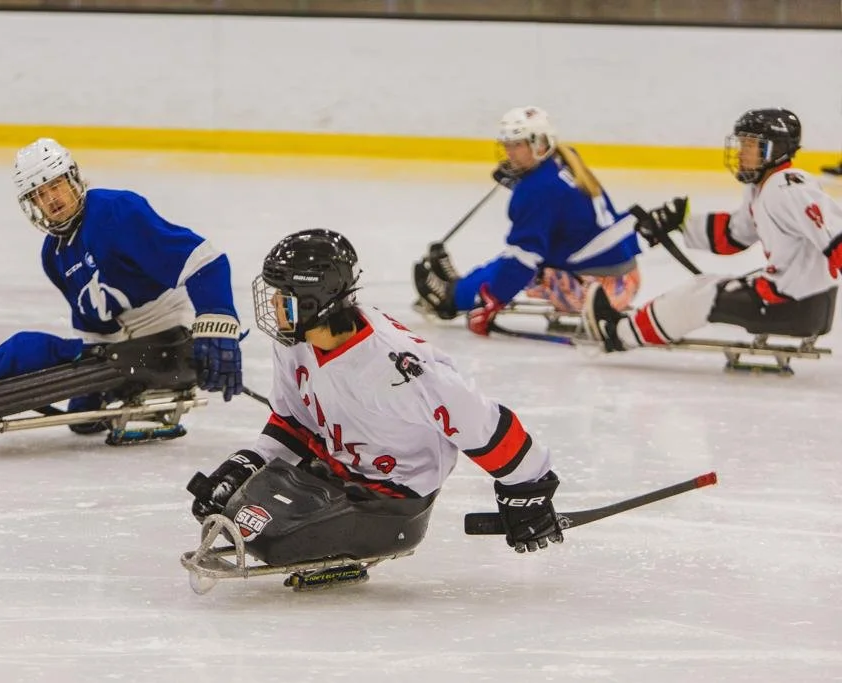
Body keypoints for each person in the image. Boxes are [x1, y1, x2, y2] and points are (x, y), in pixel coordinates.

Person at [187, 228, 564, 580]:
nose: (272, 305)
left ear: (312, 301)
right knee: (238, 511)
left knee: (272, 537)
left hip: (392, 497)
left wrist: (527, 487)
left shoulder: (396, 366)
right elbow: (295, 425)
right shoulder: (295, 343)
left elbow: (479, 420)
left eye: (281, 296)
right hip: (333, 471)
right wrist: (250, 461)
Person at [0, 138, 243, 446]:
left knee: (37, 352)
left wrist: (219, 323)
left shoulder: (116, 211)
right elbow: (96, 332)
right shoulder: (54, 255)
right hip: (125, 354)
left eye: (55, 185)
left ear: (73, 179)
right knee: (29, 347)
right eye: (39, 194)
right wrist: (90, 396)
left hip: (171, 349)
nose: (51, 199)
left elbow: (204, 260)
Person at [583, 108, 840, 353]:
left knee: (699, 298)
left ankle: (616, 334)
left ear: (776, 150)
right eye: (741, 144)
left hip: (795, 304)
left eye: (750, 146)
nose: (741, 153)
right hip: (793, 296)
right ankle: (627, 328)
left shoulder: (789, 189)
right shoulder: (762, 187)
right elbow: (734, 236)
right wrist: (679, 223)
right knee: (703, 286)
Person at [413, 106, 642, 336]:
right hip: (623, 280)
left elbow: (522, 262)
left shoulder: (537, 190)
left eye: (517, 144)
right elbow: (558, 205)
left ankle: (454, 298)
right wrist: (520, 183)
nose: (509, 152)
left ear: (539, 144)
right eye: (506, 144)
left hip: (596, 293)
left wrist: (493, 300)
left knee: (517, 258)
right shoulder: (565, 159)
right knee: (522, 252)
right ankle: (463, 287)